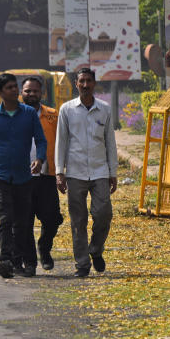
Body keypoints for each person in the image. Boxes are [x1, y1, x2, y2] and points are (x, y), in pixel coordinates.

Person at [0, 72, 46, 279]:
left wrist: (40, 159)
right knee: (6, 219)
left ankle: (28, 262)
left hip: (23, 176)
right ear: (0, 92)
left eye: (15, 87)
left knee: (23, 222)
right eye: (9, 87)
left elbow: (41, 140)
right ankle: (6, 260)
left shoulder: (28, 114)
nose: (14, 90)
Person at [55, 67, 117, 278]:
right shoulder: (67, 109)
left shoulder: (105, 109)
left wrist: (113, 171)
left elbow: (110, 141)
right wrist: (59, 172)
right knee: (78, 220)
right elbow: (61, 141)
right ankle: (82, 263)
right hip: (74, 171)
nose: (85, 85)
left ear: (94, 84)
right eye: (81, 81)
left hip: (100, 170)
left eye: (88, 81)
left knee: (104, 214)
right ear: (76, 83)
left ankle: (96, 249)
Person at [21, 76, 63, 271]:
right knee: (25, 220)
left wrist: (62, 172)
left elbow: (62, 144)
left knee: (52, 218)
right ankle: (29, 261)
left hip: (47, 175)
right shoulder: (15, 115)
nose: (31, 94)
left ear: (42, 93)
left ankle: (44, 248)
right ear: (21, 93)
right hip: (22, 177)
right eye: (27, 91)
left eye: (35, 91)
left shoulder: (53, 115)